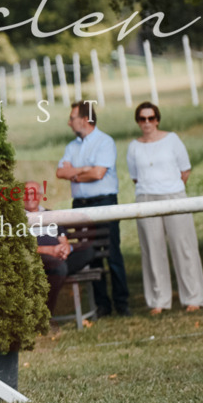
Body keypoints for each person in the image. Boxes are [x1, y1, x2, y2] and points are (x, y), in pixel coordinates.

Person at [126, 102, 203, 314]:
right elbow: (135, 177)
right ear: (138, 122)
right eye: (142, 119)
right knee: (152, 250)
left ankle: (193, 297)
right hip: (145, 197)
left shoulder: (172, 140)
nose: (147, 123)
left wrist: (170, 189)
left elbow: (185, 170)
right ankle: (158, 300)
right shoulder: (134, 147)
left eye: (151, 118)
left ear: (157, 119)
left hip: (174, 195)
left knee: (184, 247)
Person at [55, 101, 131, 317]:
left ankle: (122, 303)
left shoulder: (105, 142)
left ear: (85, 119)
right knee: (90, 254)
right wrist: (86, 169)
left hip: (104, 204)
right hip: (81, 207)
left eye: (72, 118)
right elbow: (60, 173)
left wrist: (76, 174)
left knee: (112, 254)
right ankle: (102, 306)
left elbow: (99, 174)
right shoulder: (71, 147)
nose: (69, 122)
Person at [24, 181, 95, 319]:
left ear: (40, 196)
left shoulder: (50, 214)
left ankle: (57, 272)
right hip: (37, 258)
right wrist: (49, 250)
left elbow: (63, 239)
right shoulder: (19, 218)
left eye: (33, 193)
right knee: (59, 268)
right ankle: (46, 315)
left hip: (58, 257)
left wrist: (66, 249)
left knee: (88, 251)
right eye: (26, 193)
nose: (30, 197)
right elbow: (22, 248)